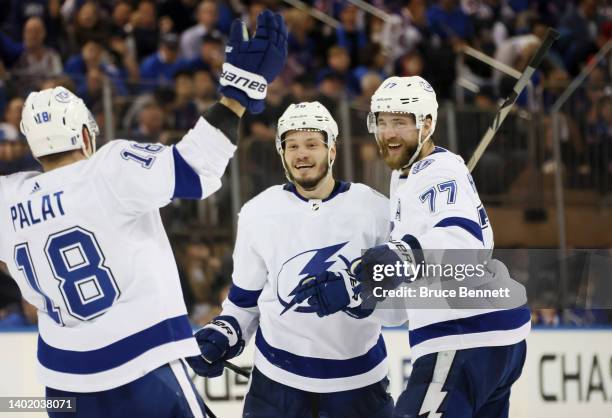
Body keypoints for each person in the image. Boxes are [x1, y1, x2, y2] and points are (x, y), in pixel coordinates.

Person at [0, 10, 287, 418]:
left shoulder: (7, 199)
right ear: (85, 133)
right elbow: (197, 168)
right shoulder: (108, 168)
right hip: (141, 366)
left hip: (62, 386)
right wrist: (237, 95)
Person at [294, 76, 531, 418]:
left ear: (428, 124)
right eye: (383, 122)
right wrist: (356, 295)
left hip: (464, 335)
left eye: (401, 123)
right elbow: (409, 295)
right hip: (487, 335)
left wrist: (400, 254)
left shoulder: (438, 173)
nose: (388, 133)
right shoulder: (407, 175)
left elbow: (462, 247)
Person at [186, 102, 394, 418]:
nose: (301, 154)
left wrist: (358, 295)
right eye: (292, 145)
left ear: (332, 151)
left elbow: (401, 305)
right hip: (277, 388)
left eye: (312, 144)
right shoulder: (258, 212)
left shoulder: (376, 210)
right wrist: (225, 332)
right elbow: (244, 304)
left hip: (359, 389)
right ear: (282, 154)